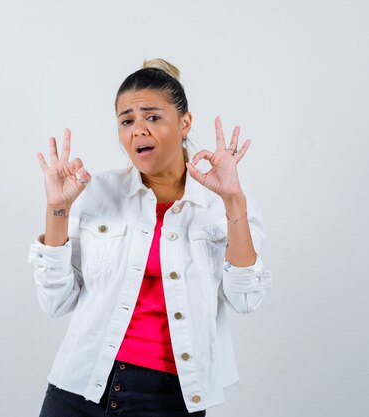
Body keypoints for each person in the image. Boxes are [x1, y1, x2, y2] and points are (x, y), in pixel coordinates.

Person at [28, 59, 272, 417]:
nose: (138, 129)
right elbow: (56, 302)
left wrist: (233, 200)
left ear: (185, 122)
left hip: (168, 398)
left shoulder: (222, 200)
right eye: (127, 120)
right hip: (79, 386)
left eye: (153, 117)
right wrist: (56, 209)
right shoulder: (97, 193)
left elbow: (246, 299)